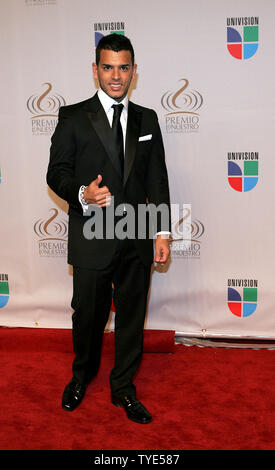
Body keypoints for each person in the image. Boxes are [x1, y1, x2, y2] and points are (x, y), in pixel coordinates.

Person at [46, 34, 171, 424]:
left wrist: (162, 231)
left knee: (132, 317)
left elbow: (157, 180)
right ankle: (81, 376)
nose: (115, 76)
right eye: (107, 67)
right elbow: (56, 173)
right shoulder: (72, 116)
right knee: (87, 316)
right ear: (95, 69)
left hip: (136, 234)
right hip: (91, 234)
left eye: (123, 67)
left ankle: (123, 388)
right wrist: (83, 193)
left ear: (134, 71)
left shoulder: (147, 119)